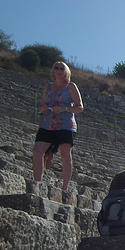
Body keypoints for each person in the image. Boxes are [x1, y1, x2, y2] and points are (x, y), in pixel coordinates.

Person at [32, 61, 83, 191]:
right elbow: (41, 105)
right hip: (47, 123)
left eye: (62, 68)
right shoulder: (48, 87)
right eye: (56, 68)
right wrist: (42, 108)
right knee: (37, 151)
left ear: (66, 71)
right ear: (53, 71)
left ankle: (65, 188)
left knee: (65, 155)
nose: (59, 70)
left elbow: (80, 107)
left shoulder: (71, 86)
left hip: (65, 125)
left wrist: (64, 108)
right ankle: (37, 182)